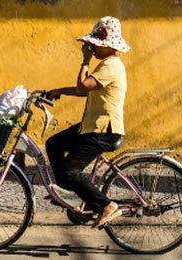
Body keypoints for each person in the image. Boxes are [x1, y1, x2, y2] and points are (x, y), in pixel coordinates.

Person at [46, 16, 130, 229]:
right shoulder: (105, 65)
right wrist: (58, 91)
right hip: (92, 127)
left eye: (95, 44)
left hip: (104, 130)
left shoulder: (110, 65)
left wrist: (84, 60)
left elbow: (83, 86)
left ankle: (107, 205)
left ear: (108, 45)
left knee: (70, 171)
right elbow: (84, 90)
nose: (92, 47)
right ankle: (70, 195)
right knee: (53, 144)